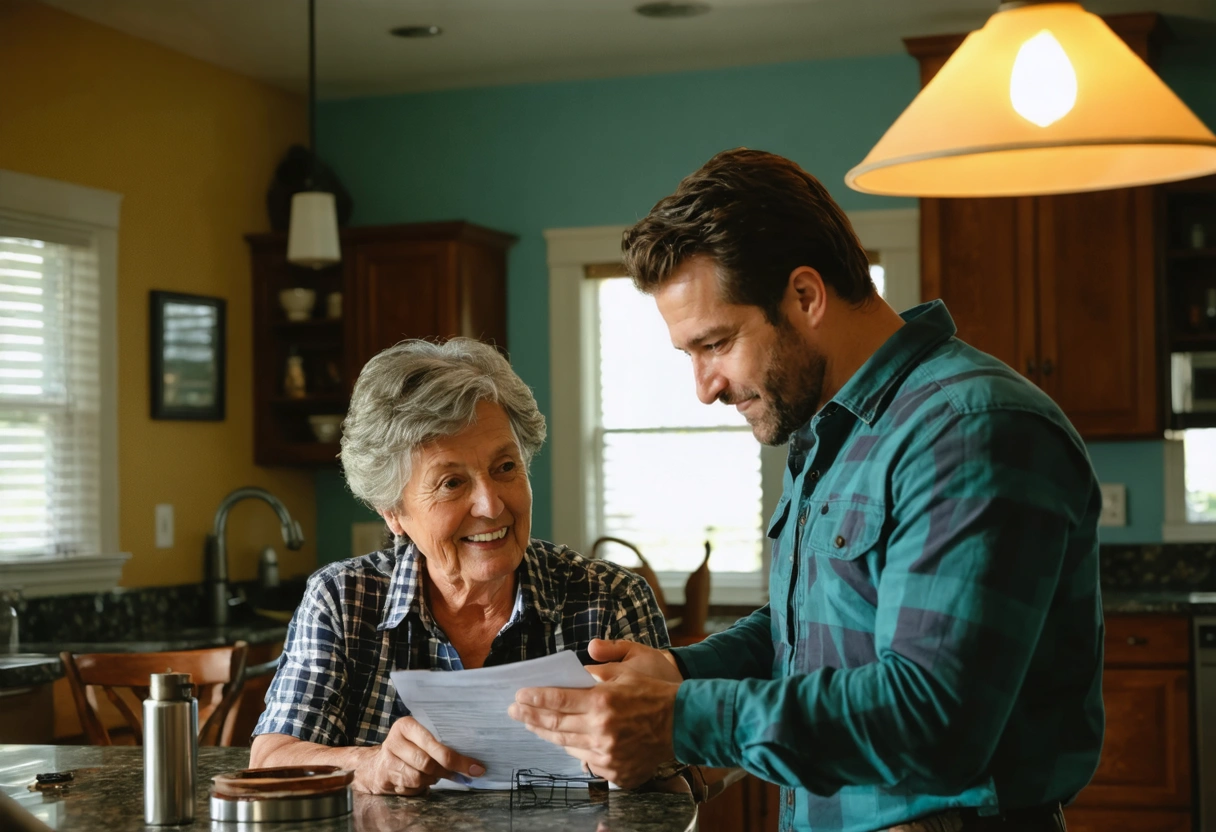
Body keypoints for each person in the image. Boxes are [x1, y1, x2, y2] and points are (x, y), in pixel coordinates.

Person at [509, 148, 1103, 832]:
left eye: (716, 344)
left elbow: (934, 720)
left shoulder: (971, 429)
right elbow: (811, 631)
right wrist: (677, 672)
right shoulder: (832, 430)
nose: (705, 387)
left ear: (805, 296)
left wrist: (680, 719)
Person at [250, 338, 669, 795]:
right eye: (451, 483)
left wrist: (641, 765)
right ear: (393, 511)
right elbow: (271, 762)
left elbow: (676, 779)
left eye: (506, 467)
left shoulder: (609, 599)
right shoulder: (342, 601)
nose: (490, 505)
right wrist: (368, 765)